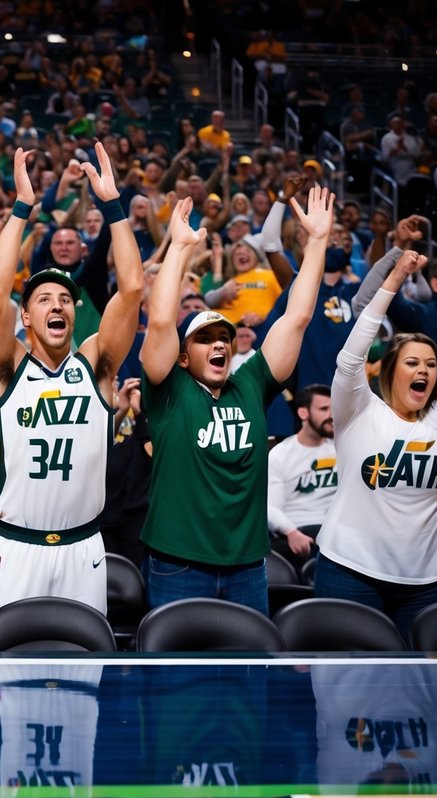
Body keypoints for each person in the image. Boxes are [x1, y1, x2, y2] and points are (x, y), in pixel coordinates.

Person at [0, 143, 144, 634]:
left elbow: (131, 289)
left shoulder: (96, 365)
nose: (57, 305)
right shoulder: (5, 367)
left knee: (85, 684)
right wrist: (23, 206)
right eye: (44, 298)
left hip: (84, 547)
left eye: (65, 298)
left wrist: (113, 207)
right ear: (26, 317)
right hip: (14, 545)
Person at [139, 187, 334, 614]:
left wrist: (317, 242)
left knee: (248, 678)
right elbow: (158, 321)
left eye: (224, 338)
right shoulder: (168, 389)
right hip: (178, 565)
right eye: (203, 339)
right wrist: (180, 248)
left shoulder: (250, 383)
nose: (218, 345)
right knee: (177, 678)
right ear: (184, 355)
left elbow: (297, 318)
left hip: (248, 567)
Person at [316, 250, 437, 641]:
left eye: (431, 365)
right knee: (346, 694)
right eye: (413, 363)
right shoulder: (359, 409)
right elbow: (349, 361)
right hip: (349, 572)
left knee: (422, 695)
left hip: (426, 582)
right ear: (392, 370)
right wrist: (392, 281)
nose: (424, 371)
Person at [267, 385, 339, 565]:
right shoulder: (280, 454)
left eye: (333, 409)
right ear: (303, 413)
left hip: (335, 533)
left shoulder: (342, 449)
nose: (331, 415)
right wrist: (292, 533)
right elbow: (270, 508)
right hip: (295, 531)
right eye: (323, 409)